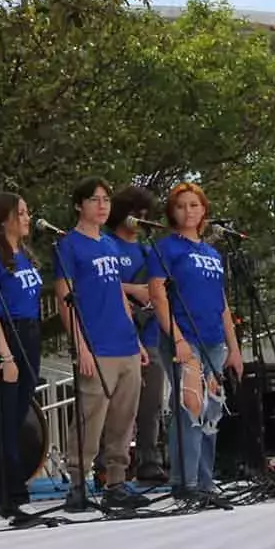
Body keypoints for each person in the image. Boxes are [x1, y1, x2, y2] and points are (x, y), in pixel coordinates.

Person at [52, 177, 149, 513]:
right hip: (97, 345)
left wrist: (137, 339)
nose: (103, 205)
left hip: (125, 343)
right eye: (95, 199)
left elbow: (119, 296)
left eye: (106, 199)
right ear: (80, 205)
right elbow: (65, 300)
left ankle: (117, 481)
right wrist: (81, 345)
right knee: (90, 417)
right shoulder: (70, 245)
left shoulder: (110, 244)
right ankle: (78, 484)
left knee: (124, 418)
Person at [147, 183, 243, 504]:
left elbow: (222, 303)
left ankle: (205, 482)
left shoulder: (213, 254)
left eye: (194, 205)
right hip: (183, 337)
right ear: (172, 212)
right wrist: (176, 338)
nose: (189, 211)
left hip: (214, 340)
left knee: (211, 412)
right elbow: (157, 295)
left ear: (204, 210)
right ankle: (183, 483)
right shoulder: (167, 248)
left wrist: (234, 348)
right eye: (181, 206)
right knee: (190, 405)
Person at [0, 193, 44, 518]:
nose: (28, 218)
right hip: (7, 337)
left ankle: (15, 485)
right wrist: (5, 355)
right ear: (6, 219)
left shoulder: (24, 255)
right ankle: (8, 493)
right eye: (22, 212)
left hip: (30, 334)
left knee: (19, 415)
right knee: (7, 416)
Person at [105, 184, 162, 493]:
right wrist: (133, 291)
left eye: (145, 214)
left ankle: (149, 460)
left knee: (150, 402)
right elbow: (102, 284)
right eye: (135, 212)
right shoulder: (108, 244)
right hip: (119, 335)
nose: (141, 218)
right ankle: (112, 464)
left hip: (150, 332)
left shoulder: (148, 251)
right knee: (120, 405)